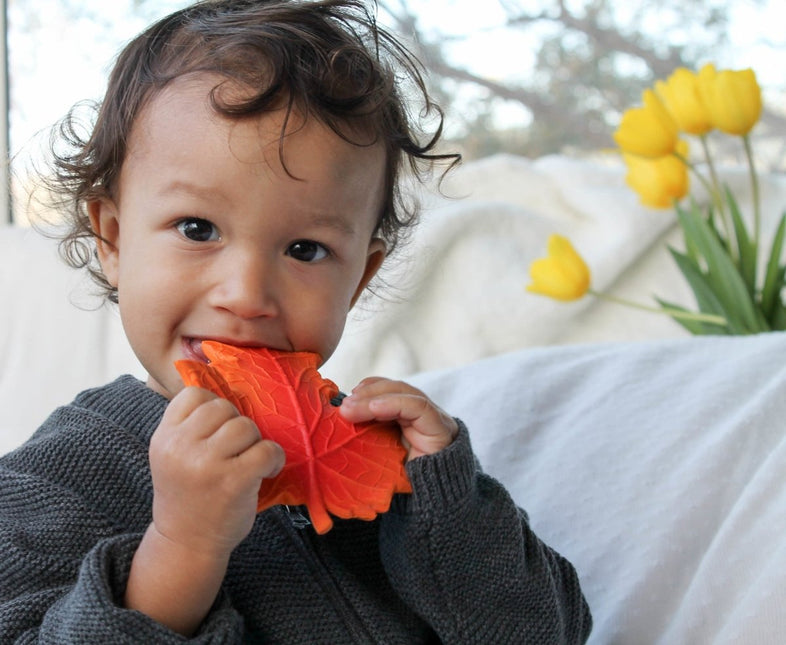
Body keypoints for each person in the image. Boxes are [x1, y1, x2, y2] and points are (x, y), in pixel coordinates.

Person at [0, 0, 592, 642]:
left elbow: (552, 631)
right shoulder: (48, 481)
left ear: (358, 278)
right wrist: (182, 546)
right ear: (114, 240)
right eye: (197, 229)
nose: (246, 294)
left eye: (305, 250)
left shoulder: (388, 459)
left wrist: (449, 498)